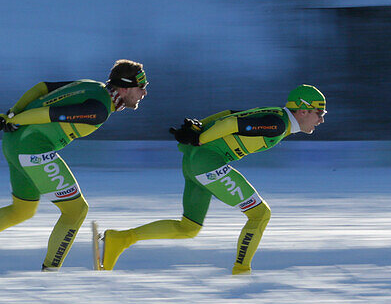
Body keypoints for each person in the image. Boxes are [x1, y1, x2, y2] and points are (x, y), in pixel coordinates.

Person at [0, 60, 148, 275]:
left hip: (14, 143)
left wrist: (11, 115)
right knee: (76, 211)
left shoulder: (91, 85)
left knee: (22, 209)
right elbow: (48, 115)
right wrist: (14, 119)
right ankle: (50, 274)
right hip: (32, 148)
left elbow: (41, 88)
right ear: (125, 88)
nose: (144, 93)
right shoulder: (99, 109)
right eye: (142, 87)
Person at [94, 84, 325, 274]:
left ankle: (120, 238)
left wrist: (198, 129)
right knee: (260, 214)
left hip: (196, 162)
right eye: (319, 113)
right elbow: (231, 123)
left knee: (188, 227)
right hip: (207, 162)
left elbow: (229, 114)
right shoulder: (277, 124)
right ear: (303, 111)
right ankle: (241, 272)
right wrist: (200, 138)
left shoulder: (275, 116)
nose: (321, 120)